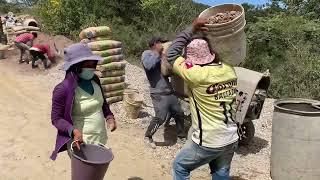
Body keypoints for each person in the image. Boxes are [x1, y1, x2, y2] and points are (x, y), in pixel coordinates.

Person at [167, 19, 239, 180]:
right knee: (220, 173)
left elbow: (171, 53)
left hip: (209, 140)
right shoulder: (229, 70)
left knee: (180, 166)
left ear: (191, 60)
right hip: (231, 137)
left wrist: (191, 28)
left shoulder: (195, 75)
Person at [50, 43, 117, 160]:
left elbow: (103, 103)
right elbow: (56, 119)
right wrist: (73, 131)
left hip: (100, 137)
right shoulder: (63, 89)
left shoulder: (95, 80)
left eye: (93, 63)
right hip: (81, 143)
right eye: (87, 64)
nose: (91, 67)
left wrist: (109, 116)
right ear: (76, 66)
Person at [142, 37, 186, 148]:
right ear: (155, 44)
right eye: (161, 43)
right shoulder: (147, 54)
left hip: (169, 91)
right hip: (158, 93)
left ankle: (181, 136)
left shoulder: (163, 55)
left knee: (179, 114)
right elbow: (148, 66)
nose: (162, 45)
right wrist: (158, 53)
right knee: (160, 117)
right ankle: (148, 136)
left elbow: (169, 70)